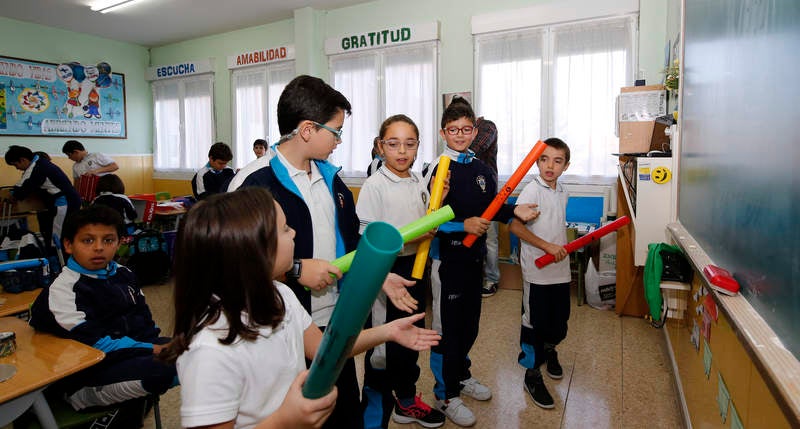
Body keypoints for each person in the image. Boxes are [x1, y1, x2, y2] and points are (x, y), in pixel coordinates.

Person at [162, 187, 441, 429]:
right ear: (253, 250)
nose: (293, 231)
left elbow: (324, 349)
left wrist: (388, 331)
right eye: (285, 229)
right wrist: (286, 421)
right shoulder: (209, 350)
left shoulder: (279, 294)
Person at [232, 75, 421, 429]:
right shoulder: (253, 184)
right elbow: (231, 261)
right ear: (307, 129)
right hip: (281, 326)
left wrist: (376, 274)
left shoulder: (332, 181)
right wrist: (297, 270)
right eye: (335, 131)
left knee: (342, 412)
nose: (339, 141)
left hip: (334, 322)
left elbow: (348, 247)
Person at [423, 98, 538, 426]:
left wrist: (515, 210)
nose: (460, 134)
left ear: (475, 130)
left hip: (473, 263)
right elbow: (428, 222)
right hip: (447, 261)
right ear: (444, 132)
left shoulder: (481, 168)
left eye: (466, 128)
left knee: (469, 325)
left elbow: (493, 207)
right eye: (454, 129)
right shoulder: (438, 168)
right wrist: (463, 226)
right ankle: (445, 393)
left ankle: (461, 376)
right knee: (446, 330)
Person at [28, 205, 176, 415]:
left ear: (119, 242)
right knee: (174, 368)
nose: (99, 248)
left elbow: (145, 322)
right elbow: (94, 344)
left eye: (108, 240)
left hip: (130, 354)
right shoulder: (63, 290)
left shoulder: (124, 274)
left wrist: (160, 344)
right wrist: (152, 349)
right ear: (69, 245)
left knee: (199, 352)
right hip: (86, 375)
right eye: (88, 240)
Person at [356, 114, 446, 428]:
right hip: (386, 273)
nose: (402, 151)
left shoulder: (417, 179)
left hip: (415, 268)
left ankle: (406, 401)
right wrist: (415, 234)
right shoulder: (375, 185)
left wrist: (437, 200)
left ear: (418, 146)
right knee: (382, 349)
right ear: (380, 147)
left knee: (410, 338)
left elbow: (422, 219)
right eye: (393, 144)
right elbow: (369, 240)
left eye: (409, 144)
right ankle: (372, 414)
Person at [508, 137, 571, 410]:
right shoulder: (532, 191)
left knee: (559, 321)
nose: (550, 166)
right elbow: (516, 228)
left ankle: (550, 349)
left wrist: (559, 247)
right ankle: (531, 374)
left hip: (561, 270)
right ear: (536, 162)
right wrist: (547, 247)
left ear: (566, 166)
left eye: (557, 161)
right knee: (534, 323)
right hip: (537, 271)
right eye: (544, 159)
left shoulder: (562, 191)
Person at [4, 145, 81, 259]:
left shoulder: (37, 167)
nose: (17, 168)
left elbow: (21, 191)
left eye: (16, 165)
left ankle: (59, 264)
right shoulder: (38, 163)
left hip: (64, 203)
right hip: (63, 201)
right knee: (53, 233)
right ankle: (58, 260)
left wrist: (9, 197)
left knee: (56, 236)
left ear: (23, 160)